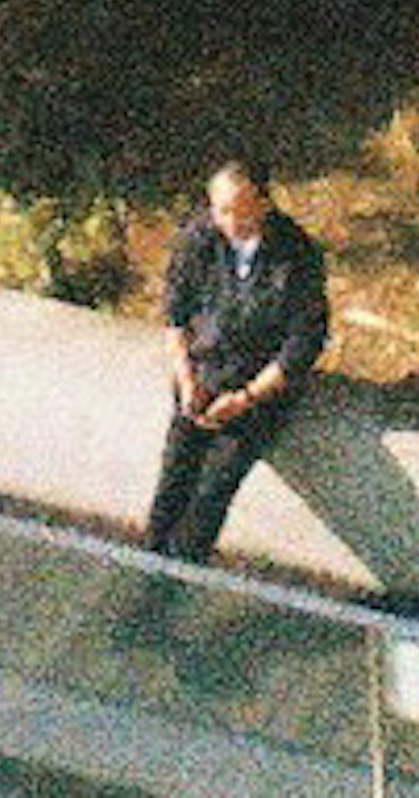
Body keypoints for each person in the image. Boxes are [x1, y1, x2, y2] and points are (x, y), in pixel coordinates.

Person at [142, 156, 328, 565]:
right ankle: (149, 562)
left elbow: (303, 343)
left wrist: (246, 397)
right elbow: (175, 312)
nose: (226, 221)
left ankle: (183, 569)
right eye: (219, 210)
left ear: (263, 204)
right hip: (203, 375)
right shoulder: (199, 238)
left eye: (235, 211)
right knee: (174, 476)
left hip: (255, 391)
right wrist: (187, 378)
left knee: (211, 493)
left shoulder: (297, 256)